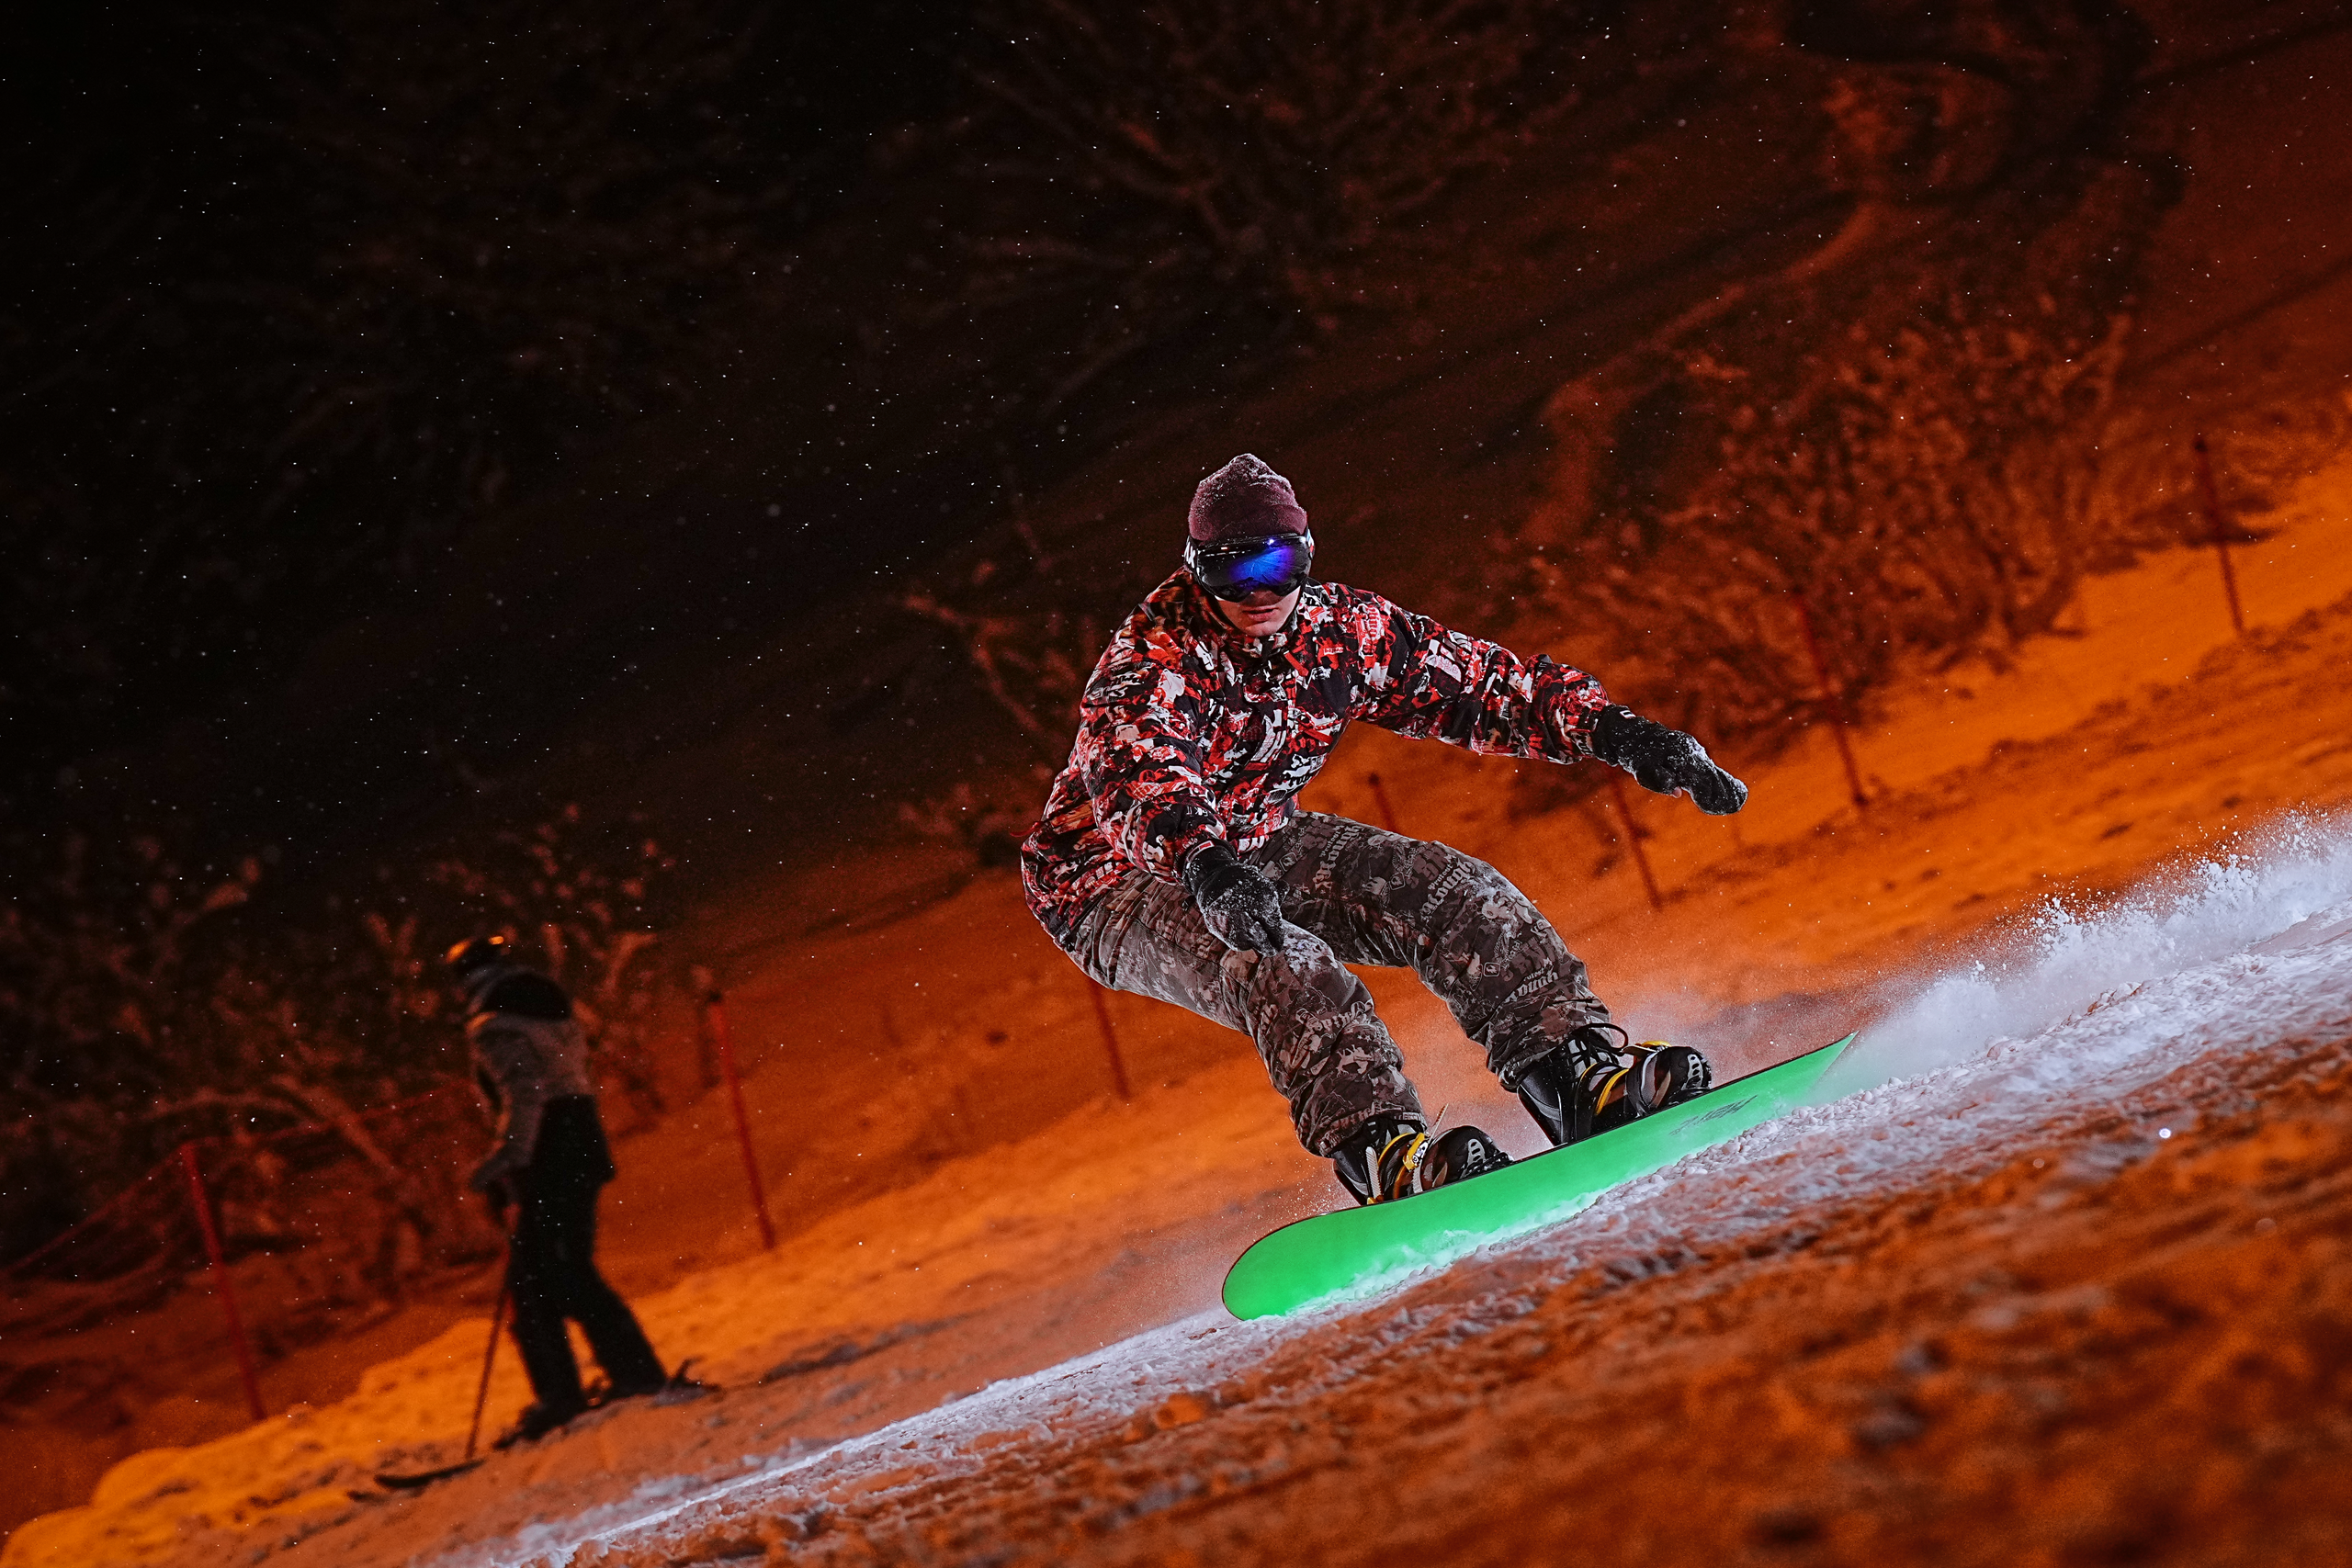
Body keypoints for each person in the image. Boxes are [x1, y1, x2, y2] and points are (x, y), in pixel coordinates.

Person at [1019, 454, 1748, 1205]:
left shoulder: (1339, 632)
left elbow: (1480, 686)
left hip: (1255, 837)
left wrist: (1622, 734)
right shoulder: (1154, 658)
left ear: (1306, 554)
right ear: (1196, 570)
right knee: (1282, 960)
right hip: (1115, 877)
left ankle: (1577, 1077)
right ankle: (1384, 1153)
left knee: (1456, 892)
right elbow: (1140, 775)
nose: (1261, 593)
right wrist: (1204, 866)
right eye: (1235, 574)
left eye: (1279, 563)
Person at [445, 934, 670, 1445]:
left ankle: (563, 1394)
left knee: (535, 1281)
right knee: (566, 1268)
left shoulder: (493, 1027)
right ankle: (630, 1371)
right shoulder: (551, 1009)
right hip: (581, 1138)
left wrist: (506, 1160)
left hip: (547, 1150)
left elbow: (525, 1095)